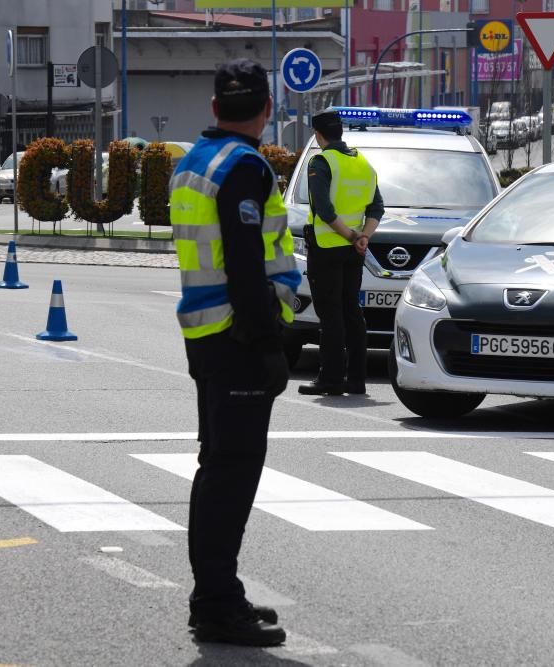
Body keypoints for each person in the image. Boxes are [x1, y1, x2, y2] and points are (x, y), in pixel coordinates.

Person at [169, 58, 300, 647]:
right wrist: (269, 342)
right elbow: (247, 263)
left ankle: (216, 595)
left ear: (215, 108)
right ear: (268, 109)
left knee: (217, 465)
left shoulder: (194, 161)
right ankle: (218, 603)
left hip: (206, 332)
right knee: (232, 472)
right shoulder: (245, 167)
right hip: (238, 334)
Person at [298, 109, 384, 396]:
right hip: (354, 252)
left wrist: (350, 235)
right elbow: (376, 207)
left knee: (331, 315)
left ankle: (331, 378)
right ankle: (357, 379)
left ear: (318, 135)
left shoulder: (321, 162)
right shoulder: (362, 163)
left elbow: (323, 210)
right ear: (341, 132)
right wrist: (363, 238)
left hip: (327, 249)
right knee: (352, 312)